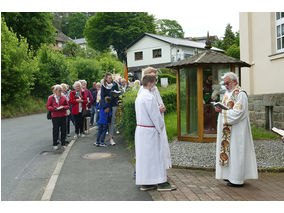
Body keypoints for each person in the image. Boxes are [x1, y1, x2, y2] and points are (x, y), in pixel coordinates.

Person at [214, 72, 258, 187]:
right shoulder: (228, 93)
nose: (226, 86)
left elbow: (239, 113)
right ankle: (229, 176)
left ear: (234, 81)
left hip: (237, 130)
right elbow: (226, 108)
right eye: (224, 84)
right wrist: (219, 108)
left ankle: (237, 179)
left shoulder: (241, 94)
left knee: (236, 153)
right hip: (227, 129)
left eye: (227, 83)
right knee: (229, 152)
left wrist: (222, 112)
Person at [135, 74, 176, 192]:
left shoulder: (140, 96)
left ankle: (146, 183)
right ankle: (161, 183)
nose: (154, 85)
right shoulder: (149, 97)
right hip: (150, 131)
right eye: (154, 82)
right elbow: (155, 116)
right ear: (151, 83)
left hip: (141, 130)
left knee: (145, 158)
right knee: (156, 157)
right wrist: (161, 127)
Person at [139, 67, 172, 170]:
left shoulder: (155, 89)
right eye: (153, 77)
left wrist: (162, 107)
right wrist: (157, 108)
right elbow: (146, 108)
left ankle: (162, 165)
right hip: (151, 124)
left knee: (162, 144)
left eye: (155, 77)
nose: (155, 80)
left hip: (158, 119)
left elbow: (159, 102)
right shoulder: (143, 91)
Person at [46, 84, 69, 150]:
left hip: (63, 115)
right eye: (59, 91)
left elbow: (67, 106)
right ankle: (55, 144)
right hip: (55, 116)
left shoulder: (64, 97)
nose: (60, 92)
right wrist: (54, 108)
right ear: (55, 91)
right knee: (55, 130)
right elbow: (48, 106)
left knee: (63, 130)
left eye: (61, 91)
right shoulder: (51, 97)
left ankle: (63, 144)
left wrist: (63, 107)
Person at [101, 72, 116, 146]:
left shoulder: (115, 84)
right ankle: (102, 139)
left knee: (112, 121)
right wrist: (105, 106)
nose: (110, 79)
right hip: (107, 105)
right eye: (109, 78)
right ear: (106, 78)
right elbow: (102, 96)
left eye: (111, 78)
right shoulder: (103, 86)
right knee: (106, 121)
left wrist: (113, 96)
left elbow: (117, 92)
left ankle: (111, 138)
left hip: (113, 104)